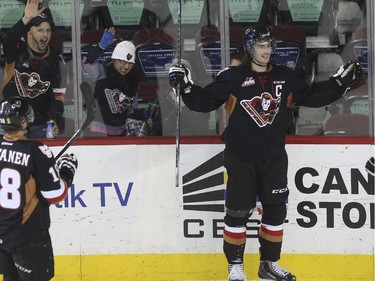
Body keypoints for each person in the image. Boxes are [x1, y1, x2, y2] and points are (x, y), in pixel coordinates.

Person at [169, 25, 362, 281]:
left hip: (274, 158)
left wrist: (338, 84)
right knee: (237, 213)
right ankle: (235, 267)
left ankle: (268, 264)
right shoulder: (233, 77)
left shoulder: (286, 76)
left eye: (269, 46)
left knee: (275, 212)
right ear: (251, 48)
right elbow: (206, 101)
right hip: (241, 158)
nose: (267, 51)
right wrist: (187, 86)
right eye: (261, 46)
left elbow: (312, 96)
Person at [0, 96, 78, 281]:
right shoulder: (36, 150)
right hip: (27, 237)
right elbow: (55, 194)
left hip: (2, 236)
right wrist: (67, 172)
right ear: (24, 121)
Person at [1, 0, 65, 138]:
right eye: (40, 30)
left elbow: (57, 95)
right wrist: (26, 19)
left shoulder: (54, 57)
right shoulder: (17, 50)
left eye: (48, 30)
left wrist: (55, 119)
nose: (45, 35)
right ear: (29, 32)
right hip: (11, 124)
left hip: (39, 126)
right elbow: (7, 41)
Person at [82, 27, 150, 137]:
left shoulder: (133, 81)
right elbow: (86, 63)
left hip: (120, 133)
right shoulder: (102, 72)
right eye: (122, 62)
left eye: (130, 64)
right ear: (114, 59)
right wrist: (101, 46)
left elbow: (132, 109)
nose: (126, 66)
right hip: (96, 132)